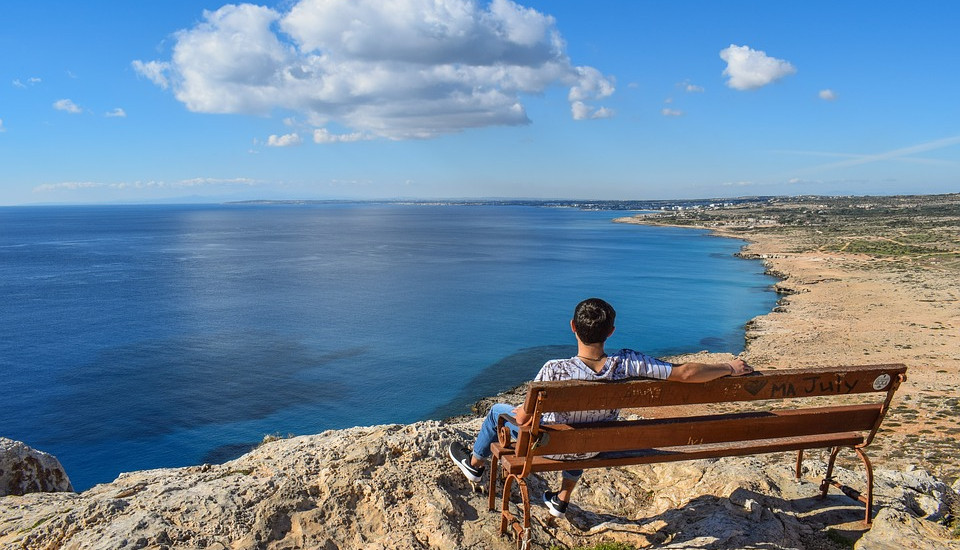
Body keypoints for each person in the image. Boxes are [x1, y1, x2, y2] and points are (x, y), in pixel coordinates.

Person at [448, 297, 754, 518]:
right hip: (591, 447)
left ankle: (474, 465)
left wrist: (515, 412)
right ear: (610, 331)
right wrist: (729, 366)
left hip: (551, 446)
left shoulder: (554, 370)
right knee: (585, 429)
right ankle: (562, 498)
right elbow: (685, 373)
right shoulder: (628, 363)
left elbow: (525, 420)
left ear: (572, 327)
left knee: (495, 412)